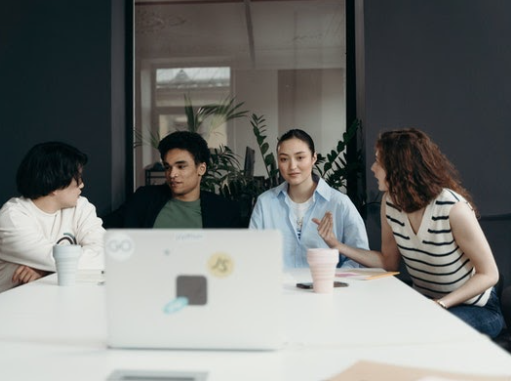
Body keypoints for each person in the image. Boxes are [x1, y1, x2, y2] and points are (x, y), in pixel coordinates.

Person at [324, 128, 503, 337]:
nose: (373, 168)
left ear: (399, 168)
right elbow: (388, 263)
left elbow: (489, 274)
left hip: (477, 308)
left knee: (425, 330)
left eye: (379, 162)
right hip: (427, 305)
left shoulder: (453, 209)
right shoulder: (390, 203)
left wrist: (441, 304)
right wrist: (338, 245)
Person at [0, 141, 105, 300]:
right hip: (6, 310)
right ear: (54, 186)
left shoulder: (81, 207)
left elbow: (106, 255)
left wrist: (44, 271)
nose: (82, 184)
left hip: (56, 305)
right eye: (77, 178)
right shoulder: (12, 218)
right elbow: (85, 261)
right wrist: (54, 266)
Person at [249, 129, 369, 268]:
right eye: (284, 159)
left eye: (300, 157)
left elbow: (359, 259)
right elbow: (253, 256)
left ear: (314, 158)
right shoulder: (265, 203)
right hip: (277, 288)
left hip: (328, 287)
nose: (292, 166)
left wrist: (333, 281)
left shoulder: (340, 203)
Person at [103, 131, 241, 228]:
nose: (172, 174)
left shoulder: (225, 211)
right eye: (167, 167)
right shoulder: (144, 199)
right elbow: (102, 228)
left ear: (201, 168)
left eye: (181, 166)